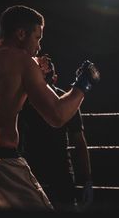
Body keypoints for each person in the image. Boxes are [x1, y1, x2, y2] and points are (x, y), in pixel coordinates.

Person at [0, 5, 100, 210]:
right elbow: (58, 116)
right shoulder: (22, 62)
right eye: (37, 38)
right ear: (21, 33)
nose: (39, 47)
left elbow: (1, 83)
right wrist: (82, 85)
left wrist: (36, 73)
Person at [18, 54, 93, 212]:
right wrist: (86, 180)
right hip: (39, 172)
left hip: (43, 172)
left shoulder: (65, 100)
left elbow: (79, 141)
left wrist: (87, 180)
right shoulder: (66, 100)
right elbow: (79, 142)